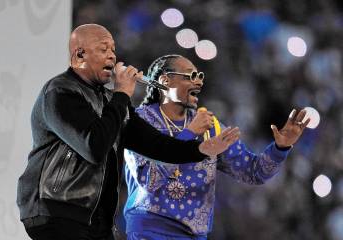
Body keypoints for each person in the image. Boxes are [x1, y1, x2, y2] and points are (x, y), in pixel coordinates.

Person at [16, 25, 239, 240]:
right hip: (57, 210)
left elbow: (153, 144)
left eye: (113, 49)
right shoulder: (60, 92)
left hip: (96, 219)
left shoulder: (109, 100)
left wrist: (199, 149)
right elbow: (93, 146)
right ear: (79, 55)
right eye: (103, 49)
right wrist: (121, 94)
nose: (112, 56)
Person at [123, 54, 310, 240]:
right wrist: (189, 133)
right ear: (165, 80)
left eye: (200, 76)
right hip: (150, 230)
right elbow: (149, 180)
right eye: (190, 76)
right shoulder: (138, 122)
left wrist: (280, 148)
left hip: (195, 235)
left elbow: (253, 172)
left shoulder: (210, 126)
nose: (199, 82)